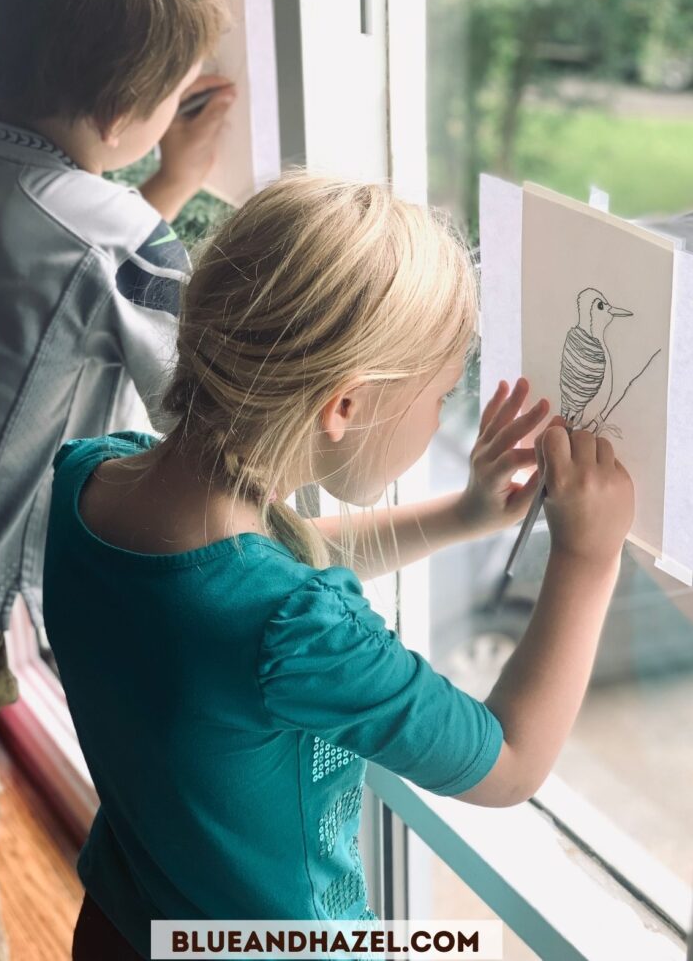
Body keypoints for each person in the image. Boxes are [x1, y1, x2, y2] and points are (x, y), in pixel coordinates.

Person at [41, 173, 635, 960]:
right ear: (345, 406)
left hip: (122, 919)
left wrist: (462, 514)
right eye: (441, 389)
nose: (443, 414)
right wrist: (586, 556)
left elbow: (249, 565)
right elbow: (511, 762)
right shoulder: (295, 629)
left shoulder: (91, 479)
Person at [0, 0, 236, 961]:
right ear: (129, 117)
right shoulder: (122, 248)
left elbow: (46, 251)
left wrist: (165, 179)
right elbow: (201, 402)